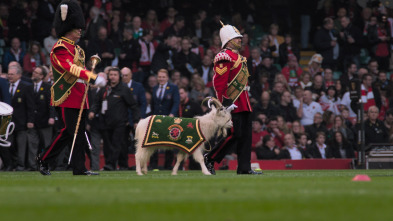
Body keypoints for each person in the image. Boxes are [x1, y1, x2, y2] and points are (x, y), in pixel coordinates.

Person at [37, 0, 100, 176]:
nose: (80, 30)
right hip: (66, 94)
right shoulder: (60, 48)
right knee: (69, 132)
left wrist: (89, 75)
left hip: (80, 95)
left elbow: (79, 69)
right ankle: (44, 159)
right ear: (67, 28)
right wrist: (92, 76)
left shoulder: (77, 48)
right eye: (76, 28)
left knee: (75, 134)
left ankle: (78, 168)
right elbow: (69, 67)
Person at [204, 21, 260, 175]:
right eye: (237, 38)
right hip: (232, 102)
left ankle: (244, 168)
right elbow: (219, 83)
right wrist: (225, 102)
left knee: (246, 137)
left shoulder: (239, 56)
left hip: (244, 102)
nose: (240, 40)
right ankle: (210, 158)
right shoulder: (224, 56)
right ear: (228, 40)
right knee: (234, 134)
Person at [89, 67, 140, 171]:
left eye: (115, 75)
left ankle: (111, 165)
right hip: (105, 122)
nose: (112, 77)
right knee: (107, 145)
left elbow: (133, 106)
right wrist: (92, 111)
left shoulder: (124, 89)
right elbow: (97, 102)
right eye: (111, 75)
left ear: (119, 77)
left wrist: (135, 120)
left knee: (117, 144)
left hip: (119, 123)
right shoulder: (104, 89)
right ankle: (110, 164)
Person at [149, 69, 180, 170]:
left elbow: (176, 102)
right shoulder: (155, 88)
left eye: (163, 77)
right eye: (160, 77)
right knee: (154, 142)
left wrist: (172, 114)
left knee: (168, 143)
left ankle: (168, 166)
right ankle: (153, 166)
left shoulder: (173, 88)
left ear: (167, 78)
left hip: (169, 119)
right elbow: (153, 104)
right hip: (157, 119)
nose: (161, 79)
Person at [27, 66, 55, 171]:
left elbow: (51, 104)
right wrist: (29, 120)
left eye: (37, 73)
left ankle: (47, 164)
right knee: (32, 145)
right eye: (34, 72)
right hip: (33, 121)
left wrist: (51, 117)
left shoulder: (47, 87)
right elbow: (28, 106)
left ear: (42, 76)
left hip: (45, 120)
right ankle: (32, 166)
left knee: (48, 144)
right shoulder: (28, 88)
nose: (34, 74)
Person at [7, 65, 35, 171]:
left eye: (12, 74)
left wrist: (30, 120)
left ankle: (21, 165)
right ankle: (11, 164)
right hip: (8, 123)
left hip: (21, 122)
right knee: (9, 145)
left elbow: (30, 106)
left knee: (21, 145)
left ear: (19, 75)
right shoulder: (5, 86)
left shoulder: (26, 87)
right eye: (8, 74)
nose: (9, 76)